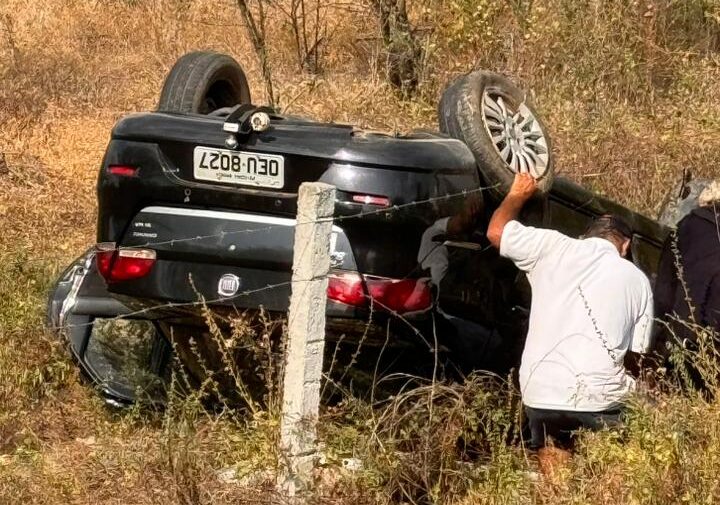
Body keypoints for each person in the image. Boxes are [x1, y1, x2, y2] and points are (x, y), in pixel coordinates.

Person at [486, 173, 654, 462]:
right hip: (602, 397)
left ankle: (556, 494)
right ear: (625, 247)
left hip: (541, 391)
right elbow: (636, 358)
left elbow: (496, 232)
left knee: (553, 446)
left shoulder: (553, 246)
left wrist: (517, 193)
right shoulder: (637, 280)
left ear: (586, 235)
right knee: (624, 451)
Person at [655, 180, 720, 388]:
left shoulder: (683, 227)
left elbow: (664, 291)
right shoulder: (711, 236)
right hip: (707, 355)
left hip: (673, 345)